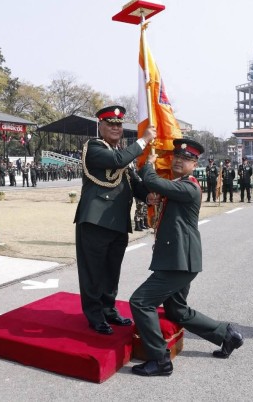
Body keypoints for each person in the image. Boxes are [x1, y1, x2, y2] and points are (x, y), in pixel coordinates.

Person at [130, 139, 243, 376]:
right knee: (176, 311)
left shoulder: (189, 187)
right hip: (179, 259)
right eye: (177, 157)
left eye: (186, 159)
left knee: (140, 302)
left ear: (195, 164)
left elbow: (152, 181)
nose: (179, 161)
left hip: (178, 261)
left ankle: (160, 359)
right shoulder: (178, 185)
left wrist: (148, 163)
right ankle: (226, 335)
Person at [74, 105, 156, 335]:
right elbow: (118, 160)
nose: (116, 128)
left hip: (118, 221)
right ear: (100, 125)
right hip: (96, 221)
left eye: (119, 125)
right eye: (110, 124)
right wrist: (144, 140)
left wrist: (148, 195)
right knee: (93, 272)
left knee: (112, 271)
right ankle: (94, 315)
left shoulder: (122, 153)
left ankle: (108, 309)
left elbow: (133, 182)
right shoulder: (94, 147)